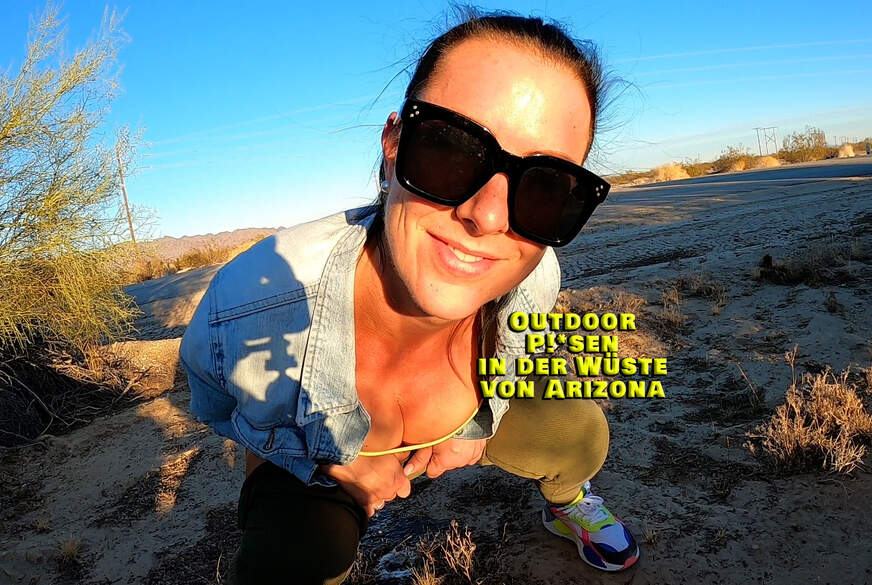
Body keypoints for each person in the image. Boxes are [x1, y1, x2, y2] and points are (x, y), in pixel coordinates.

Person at [180, 10, 639, 584]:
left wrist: (478, 430)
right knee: (292, 558)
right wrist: (316, 459)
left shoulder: (535, 274)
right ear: (393, 144)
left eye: (546, 185)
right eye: (452, 150)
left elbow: (516, 357)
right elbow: (232, 413)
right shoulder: (248, 309)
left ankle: (568, 502)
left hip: (464, 428)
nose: (488, 217)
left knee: (581, 433)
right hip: (317, 457)